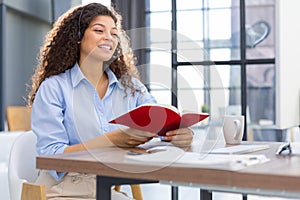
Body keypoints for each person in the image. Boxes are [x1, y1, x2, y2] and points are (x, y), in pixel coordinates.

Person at [27, 3, 193, 200]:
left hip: (108, 186)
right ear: (78, 37)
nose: (109, 38)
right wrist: (113, 140)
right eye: (99, 30)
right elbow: (50, 158)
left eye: (114, 34)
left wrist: (176, 135)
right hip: (62, 190)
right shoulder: (54, 88)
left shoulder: (131, 87)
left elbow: (157, 124)